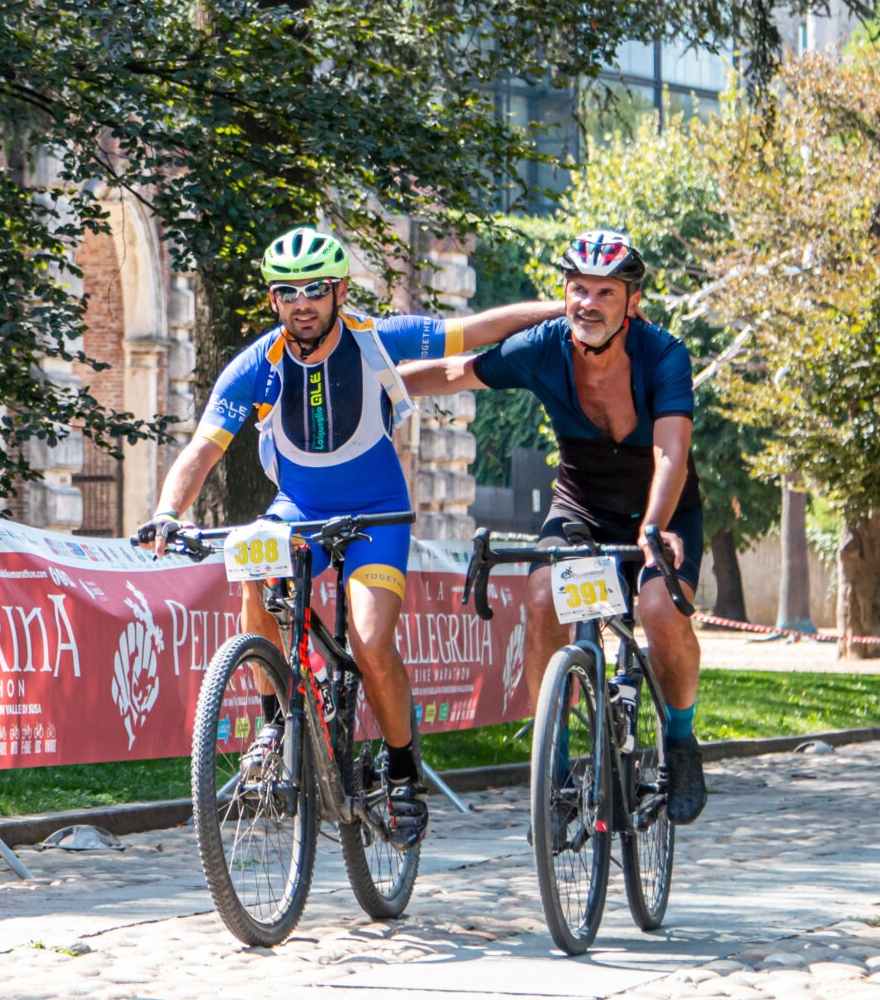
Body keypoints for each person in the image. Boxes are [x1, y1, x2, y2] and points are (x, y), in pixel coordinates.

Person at [135, 226, 562, 848]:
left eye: (314, 289)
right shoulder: (256, 365)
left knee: (367, 639)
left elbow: (477, 328)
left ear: (337, 290)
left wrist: (565, 308)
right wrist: (169, 511)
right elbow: (203, 448)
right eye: (287, 292)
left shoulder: (375, 340)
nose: (301, 302)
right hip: (296, 509)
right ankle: (276, 722)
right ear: (273, 300)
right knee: (253, 565)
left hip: (377, 513)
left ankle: (401, 769)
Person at [401, 229, 707, 825]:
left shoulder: (664, 354)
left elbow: (671, 453)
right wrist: (376, 384)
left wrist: (652, 528)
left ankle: (680, 741)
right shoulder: (544, 348)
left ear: (632, 302)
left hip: (662, 512)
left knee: (660, 612)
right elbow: (455, 371)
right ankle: (557, 766)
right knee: (542, 597)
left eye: (604, 292)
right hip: (582, 508)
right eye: (577, 289)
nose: (587, 303)